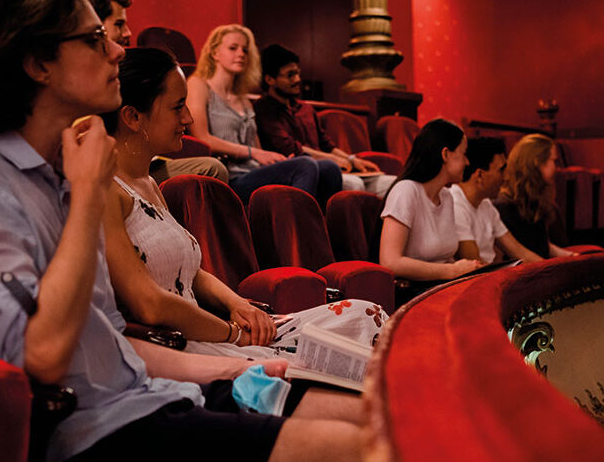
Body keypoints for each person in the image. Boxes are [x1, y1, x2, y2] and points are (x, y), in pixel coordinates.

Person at [0, 0, 363, 462]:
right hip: (88, 432)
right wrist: (88, 191)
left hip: (154, 395)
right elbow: (43, 358)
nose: (118, 49)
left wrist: (239, 366)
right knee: (368, 448)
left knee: (377, 411)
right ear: (38, 63)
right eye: (95, 38)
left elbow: (111, 346)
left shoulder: (63, 171)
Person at [101, 47, 387, 360]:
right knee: (347, 359)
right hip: (185, 346)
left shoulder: (150, 185)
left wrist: (237, 303)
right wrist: (234, 333)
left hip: (220, 331)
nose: (189, 118)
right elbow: (151, 304)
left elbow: (190, 270)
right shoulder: (107, 192)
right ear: (132, 116)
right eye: (178, 107)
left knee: (364, 315)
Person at [88, 0, 229, 184]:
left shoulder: (121, 70)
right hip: (107, 169)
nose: (128, 33)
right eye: (119, 24)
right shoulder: (84, 80)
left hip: (142, 159)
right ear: (94, 26)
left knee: (211, 167)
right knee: (211, 169)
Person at [186, 24, 341, 204]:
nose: (241, 54)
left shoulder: (243, 99)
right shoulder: (198, 85)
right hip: (230, 176)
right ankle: (295, 229)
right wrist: (254, 153)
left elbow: (257, 148)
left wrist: (275, 160)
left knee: (329, 167)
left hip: (253, 170)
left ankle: (316, 227)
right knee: (305, 165)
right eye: (233, 48)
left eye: (245, 50)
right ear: (214, 53)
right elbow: (202, 138)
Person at [254, 44, 395, 198]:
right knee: (355, 185)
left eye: (298, 73)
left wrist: (352, 159)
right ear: (269, 79)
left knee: (391, 183)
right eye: (290, 75)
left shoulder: (305, 109)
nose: (298, 79)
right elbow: (289, 148)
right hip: (305, 173)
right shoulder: (263, 109)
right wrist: (334, 160)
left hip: (332, 166)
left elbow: (326, 143)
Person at [379, 119, 484, 281]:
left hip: (442, 286)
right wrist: (451, 271)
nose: (467, 162)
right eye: (464, 154)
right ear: (445, 154)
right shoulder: (406, 190)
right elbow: (390, 262)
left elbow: (445, 259)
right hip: (412, 292)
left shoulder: (446, 196)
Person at [450, 137, 543, 264]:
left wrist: (553, 271)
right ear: (480, 175)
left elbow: (519, 251)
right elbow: (476, 265)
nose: (506, 177)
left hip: (491, 275)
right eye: (501, 170)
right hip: (476, 279)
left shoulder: (485, 204)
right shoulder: (455, 203)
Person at [492, 133, 578, 259]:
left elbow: (542, 246)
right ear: (537, 163)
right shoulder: (503, 207)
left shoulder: (535, 200)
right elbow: (519, 257)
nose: (557, 168)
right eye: (554, 161)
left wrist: (571, 257)